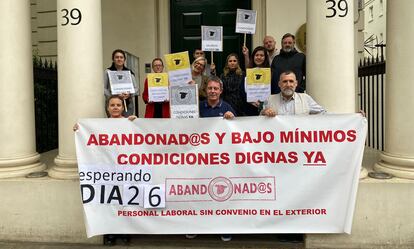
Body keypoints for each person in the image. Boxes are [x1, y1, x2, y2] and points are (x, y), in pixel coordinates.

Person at [73, 95, 136, 245]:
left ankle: (124, 231)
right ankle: (110, 233)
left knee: (124, 200)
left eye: (118, 105)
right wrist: (79, 129)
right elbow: (87, 137)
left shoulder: (129, 122)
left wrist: (137, 122)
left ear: (123, 107)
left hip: (124, 169)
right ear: (107, 108)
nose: (115, 107)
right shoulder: (99, 125)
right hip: (106, 171)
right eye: (112, 105)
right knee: (108, 201)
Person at [104, 49, 138, 117]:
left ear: (124, 59)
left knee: (127, 124)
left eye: (121, 57)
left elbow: (136, 88)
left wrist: (129, 94)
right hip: (113, 104)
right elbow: (104, 88)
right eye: (117, 57)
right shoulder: (108, 72)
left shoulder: (129, 73)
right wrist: (113, 96)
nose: (119, 59)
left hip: (127, 104)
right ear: (113, 59)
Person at [242, 46, 270, 116]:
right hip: (250, 109)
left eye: (262, 55)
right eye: (256, 55)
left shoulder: (271, 73)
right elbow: (241, 91)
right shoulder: (247, 73)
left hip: (268, 109)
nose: (259, 57)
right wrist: (250, 100)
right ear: (253, 57)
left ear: (265, 58)